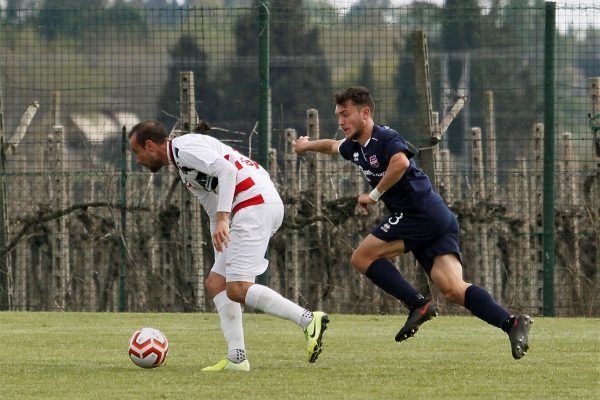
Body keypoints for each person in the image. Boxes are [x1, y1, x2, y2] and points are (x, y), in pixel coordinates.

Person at [292, 86, 532, 360]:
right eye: (338, 116)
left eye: (345, 115)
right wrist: (306, 146)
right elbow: (333, 147)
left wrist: (372, 196)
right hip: (435, 217)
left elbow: (400, 163)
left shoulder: (384, 137)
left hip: (419, 213)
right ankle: (511, 323)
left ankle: (418, 304)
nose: (340, 121)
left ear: (365, 112)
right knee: (454, 289)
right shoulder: (355, 147)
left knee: (362, 258)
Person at [129, 120, 329, 371]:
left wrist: (225, 217)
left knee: (238, 288)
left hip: (254, 205)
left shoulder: (184, 148)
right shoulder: (183, 167)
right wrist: (220, 239)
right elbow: (213, 210)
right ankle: (237, 357)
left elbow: (227, 171)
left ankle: (309, 320)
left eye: (136, 152)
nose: (137, 160)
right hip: (254, 205)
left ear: (150, 146)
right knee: (216, 282)